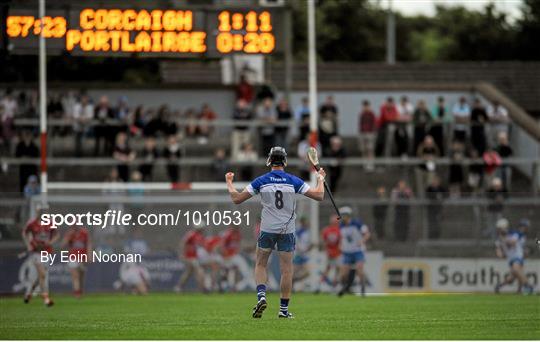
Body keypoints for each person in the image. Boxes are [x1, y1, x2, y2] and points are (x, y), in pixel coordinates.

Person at [225, 146, 326, 319]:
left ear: (269, 161)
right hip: (287, 230)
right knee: (287, 270)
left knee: (260, 264)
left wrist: (229, 182)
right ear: (285, 162)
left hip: (267, 229)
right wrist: (321, 179)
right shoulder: (293, 180)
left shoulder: (261, 180)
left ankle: (261, 296)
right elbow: (319, 196)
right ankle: (283, 311)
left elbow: (236, 199)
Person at [22, 204, 58, 306]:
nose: (42, 213)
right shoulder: (32, 223)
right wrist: (29, 244)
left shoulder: (50, 223)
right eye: (41, 211)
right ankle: (46, 298)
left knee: (40, 276)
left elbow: (56, 234)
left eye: (44, 211)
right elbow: (25, 233)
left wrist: (51, 242)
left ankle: (29, 293)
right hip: (36, 252)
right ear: (37, 212)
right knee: (42, 274)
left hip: (46, 252)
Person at [494, 218, 534, 294]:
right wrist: (500, 254)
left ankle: (528, 286)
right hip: (510, 259)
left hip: (518, 256)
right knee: (512, 278)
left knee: (516, 269)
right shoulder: (498, 240)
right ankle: (500, 286)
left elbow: (513, 242)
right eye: (498, 229)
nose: (499, 230)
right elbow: (499, 252)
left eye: (501, 228)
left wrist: (504, 239)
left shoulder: (514, 233)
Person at [337, 207, 371, 297]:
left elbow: (367, 234)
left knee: (360, 270)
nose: (343, 217)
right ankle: (345, 287)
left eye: (344, 215)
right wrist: (340, 244)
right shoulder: (341, 226)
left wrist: (362, 241)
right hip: (347, 252)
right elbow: (341, 237)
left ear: (348, 215)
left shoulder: (357, 223)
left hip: (357, 251)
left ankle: (363, 289)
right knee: (344, 273)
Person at [62, 226, 91, 298]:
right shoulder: (70, 234)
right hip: (73, 257)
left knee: (81, 276)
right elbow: (63, 245)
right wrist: (69, 237)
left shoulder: (84, 233)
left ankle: (80, 290)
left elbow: (88, 244)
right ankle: (77, 292)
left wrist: (89, 255)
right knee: (75, 276)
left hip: (82, 257)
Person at [175, 228, 206, 292]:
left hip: (195, 257)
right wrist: (181, 254)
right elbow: (183, 243)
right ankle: (202, 288)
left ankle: (178, 287)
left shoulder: (200, 236)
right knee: (199, 270)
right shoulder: (191, 234)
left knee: (188, 273)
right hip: (189, 257)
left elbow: (200, 246)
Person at [318, 215, 341, 292]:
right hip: (330, 253)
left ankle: (334, 285)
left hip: (338, 253)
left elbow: (341, 241)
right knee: (328, 269)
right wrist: (327, 250)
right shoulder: (327, 230)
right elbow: (323, 240)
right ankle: (319, 285)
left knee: (338, 269)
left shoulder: (339, 230)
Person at [220, 226, 243, 292]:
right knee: (226, 271)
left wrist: (237, 251)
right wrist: (225, 255)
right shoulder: (228, 234)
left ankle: (234, 287)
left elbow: (238, 244)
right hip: (228, 256)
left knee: (235, 269)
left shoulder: (238, 234)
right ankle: (223, 287)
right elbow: (223, 246)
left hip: (234, 256)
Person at [292, 217, 312, 290]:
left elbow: (306, 243)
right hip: (298, 255)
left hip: (304, 255)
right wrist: (300, 250)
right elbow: (296, 243)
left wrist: (309, 247)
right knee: (293, 272)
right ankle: (291, 287)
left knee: (307, 272)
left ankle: (294, 281)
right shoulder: (298, 231)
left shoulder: (307, 232)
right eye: (306, 221)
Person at [358, 100, 377, 170]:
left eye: (367, 106)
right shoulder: (362, 114)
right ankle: (364, 164)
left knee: (370, 149)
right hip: (362, 133)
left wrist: (373, 133)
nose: (365, 108)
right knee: (363, 149)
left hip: (370, 133)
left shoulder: (372, 114)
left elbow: (374, 124)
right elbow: (360, 124)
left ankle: (371, 164)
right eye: (364, 106)